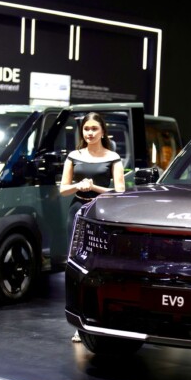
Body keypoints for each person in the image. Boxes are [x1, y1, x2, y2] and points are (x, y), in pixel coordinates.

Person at [59, 112, 125, 342]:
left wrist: (94, 187)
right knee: (76, 265)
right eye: (86, 128)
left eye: (94, 128)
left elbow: (120, 191)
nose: (90, 132)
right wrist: (79, 185)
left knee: (99, 266)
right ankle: (79, 322)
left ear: (103, 132)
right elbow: (63, 189)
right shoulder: (73, 156)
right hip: (78, 211)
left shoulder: (113, 157)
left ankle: (101, 318)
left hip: (101, 213)